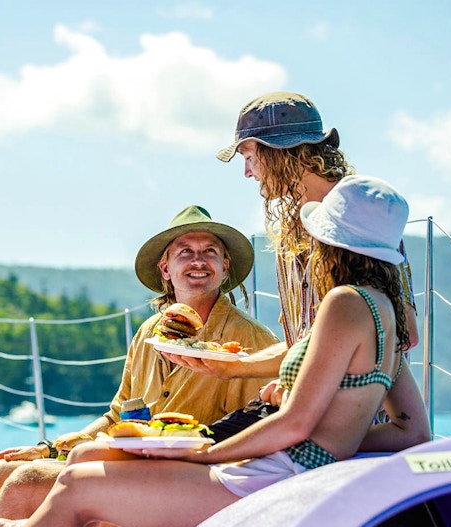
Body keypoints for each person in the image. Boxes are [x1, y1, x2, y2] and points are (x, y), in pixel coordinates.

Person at [0, 175, 431, 527]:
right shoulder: (387, 318)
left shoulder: (343, 302)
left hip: (271, 476)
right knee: (84, 461)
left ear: (331, 243)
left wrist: (211, 455)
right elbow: (413, 432)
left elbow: (295, 423)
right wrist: (338, 441)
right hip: (291, 467)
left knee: (75, 486)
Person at [0, 205, 278, 527]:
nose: (198, 261)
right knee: (3, 472)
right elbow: (117, 416)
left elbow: (257, 432)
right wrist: (49, 448)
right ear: (165, 269)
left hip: (185, 479)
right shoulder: (148, 333)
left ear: (224, 267)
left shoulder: (250, 341)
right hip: (130, 464)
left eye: (210, 252)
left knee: (24, 483)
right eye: (185, 252)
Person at [167, 91, 419, 411]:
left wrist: (301, 383)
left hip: (355, 422)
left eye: (249, 156)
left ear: (279, 154)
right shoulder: (289, 231)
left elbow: (404, 334)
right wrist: (233, 368)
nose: (247, 173)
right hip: (302, 410)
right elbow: (305, 346)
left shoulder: (361, 215)